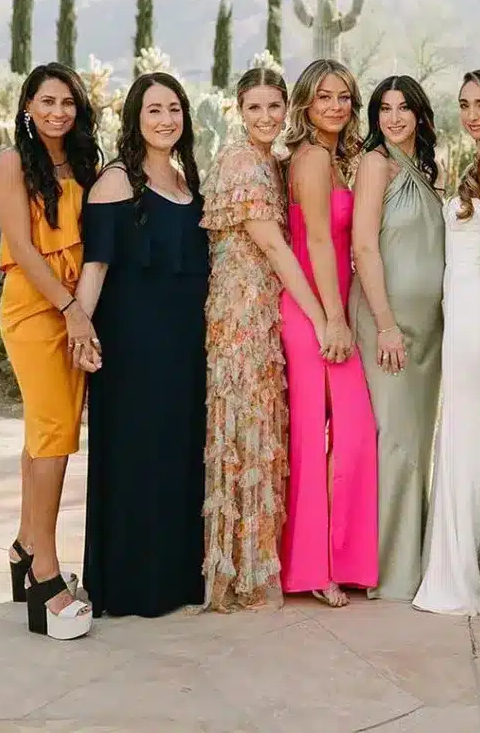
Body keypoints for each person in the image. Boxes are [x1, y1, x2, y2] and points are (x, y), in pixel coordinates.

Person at [76, 73, 208, 617]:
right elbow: (96, 265)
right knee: (136, 457)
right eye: (153, 110)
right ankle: (132, 585)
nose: (165, 120)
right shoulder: (115, 181)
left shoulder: (184, 180)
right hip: (133, 345)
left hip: (184, 346)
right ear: (135, 118)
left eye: (173, 109)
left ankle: (174, 579)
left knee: (177, 455)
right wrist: (80, 327)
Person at [200, 67, 327, 612]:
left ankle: (257, 560)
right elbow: (276, 250)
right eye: (255, 108)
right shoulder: (240, 163)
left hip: (264, 312)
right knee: (243, 430)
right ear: (237, 109)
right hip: (240, 314)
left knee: (260, 426)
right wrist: (323, 317)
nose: (266, 118)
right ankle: (237, 573)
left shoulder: (269, 163)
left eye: (275, 107)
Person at [0, 62, 100, 639]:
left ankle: (25, 545)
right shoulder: (13, 163)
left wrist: (83, 308)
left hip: (75, 307)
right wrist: (71, 309)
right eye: (47, 101)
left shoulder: (81, 163)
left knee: (42, 431)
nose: (58, 111)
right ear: (28, 105)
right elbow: (26, 252)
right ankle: (45, 574)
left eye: (67, 102)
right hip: (37, 309)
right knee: (56, 432)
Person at [414, 70, 480, 616]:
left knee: (469, 433)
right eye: (464, 104)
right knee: (460, 431)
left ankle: (471, 570)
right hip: (459, 308)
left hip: (479, 310)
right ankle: (463, 562)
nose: (473, 113)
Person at [280, 60, 378, 607]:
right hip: (312, 312)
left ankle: (338, 559)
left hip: (329, 307)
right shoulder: (314, 158)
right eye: (325, 98)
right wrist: (333, 318)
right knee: (318, 438)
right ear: (306, 105)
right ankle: (312, 568)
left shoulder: (339, 160)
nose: (337, 106)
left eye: (345, 97)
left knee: (353, 435)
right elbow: (318, 242)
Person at [351, 76, 445, 601]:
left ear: (420, 114)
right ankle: (390, 571)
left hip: (429, 329)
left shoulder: (428, 171)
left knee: (416, 441)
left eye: (404, 107)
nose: (394, 118)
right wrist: (385, 322)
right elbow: (364, 247)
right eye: (384, 109)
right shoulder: (375, 164)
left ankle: (413, 558)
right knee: (395, 441)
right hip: (389, 326)